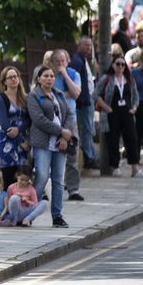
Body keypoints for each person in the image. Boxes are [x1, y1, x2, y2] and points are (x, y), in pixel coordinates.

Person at [28, 65, 73, 228]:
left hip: (60, 144)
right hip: (43, 144)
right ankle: (29, 214)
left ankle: (57, 216)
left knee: (58, 181)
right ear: (39, 79)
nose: (49, 79)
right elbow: (38, 119)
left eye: (52, 76)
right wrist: (61, 130)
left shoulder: (59, 94)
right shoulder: (34, 96)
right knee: (41, 177)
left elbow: (68, 115)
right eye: (46, 76)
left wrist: (64, 136)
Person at [94, 56, 143, 178]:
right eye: (118, 64)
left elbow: (136, 96)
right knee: (113, 140)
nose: (120, 67)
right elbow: (95, 94)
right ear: (113, 65)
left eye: (123, 64)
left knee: (132, 139)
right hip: (112, 114)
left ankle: (135, 168)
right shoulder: (106, 79)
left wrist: (134, 108)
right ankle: (115, 167)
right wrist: (106, 107)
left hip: (127, 113)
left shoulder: (129, 79)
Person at [48, 50, 84, 201]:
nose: (61, 64)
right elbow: (49, 94)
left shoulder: (74, 74)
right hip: (53, 120)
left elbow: (76, 93)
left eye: (63, 61)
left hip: (70, 119)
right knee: (51, 153)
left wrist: (65, 75)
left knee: (72, 154)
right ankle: (51, 189)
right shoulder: (49, 76)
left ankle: (73, 189)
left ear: (67, 61)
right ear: (52, 63)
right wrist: (64, 93)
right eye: (57, 62)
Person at [0, 66, 30, 189]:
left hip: (22, 138)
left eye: (15, 76)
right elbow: (4, 125)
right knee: (9, 179)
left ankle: (20, 206)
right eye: (10, 77)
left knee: (22, 177)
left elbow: (29, 119)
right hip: (6, 141)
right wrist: (20, 141)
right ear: (4, 81)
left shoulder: (25, 98)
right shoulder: (0, 99)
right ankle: (8, 207)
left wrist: (19, 131)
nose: (13, 79)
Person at [69, 36, 99, 168]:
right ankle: (89, 158)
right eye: (86, 45)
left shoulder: (83, 60)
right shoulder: (77, 60)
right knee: (86, 129)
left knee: (89, 129)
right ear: (79, 45)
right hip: (83, 103)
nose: (89, 48)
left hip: (87, 100)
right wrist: (81, 101)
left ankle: (91, 155)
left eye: (90, 45)